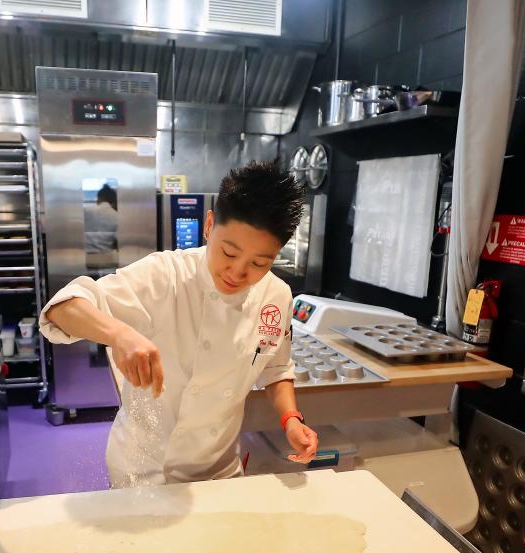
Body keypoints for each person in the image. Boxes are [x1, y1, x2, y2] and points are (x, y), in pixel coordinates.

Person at [39, 160, 319, 487]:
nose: (238, 273)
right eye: (228, 253)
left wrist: (290, 419)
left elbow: (276, 369)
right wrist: (120, 334)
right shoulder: (167, 275)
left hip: (221, 471)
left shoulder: (277, 295)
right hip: (146, 471)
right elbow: (63, 308)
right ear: (209, 226)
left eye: (259, 263)